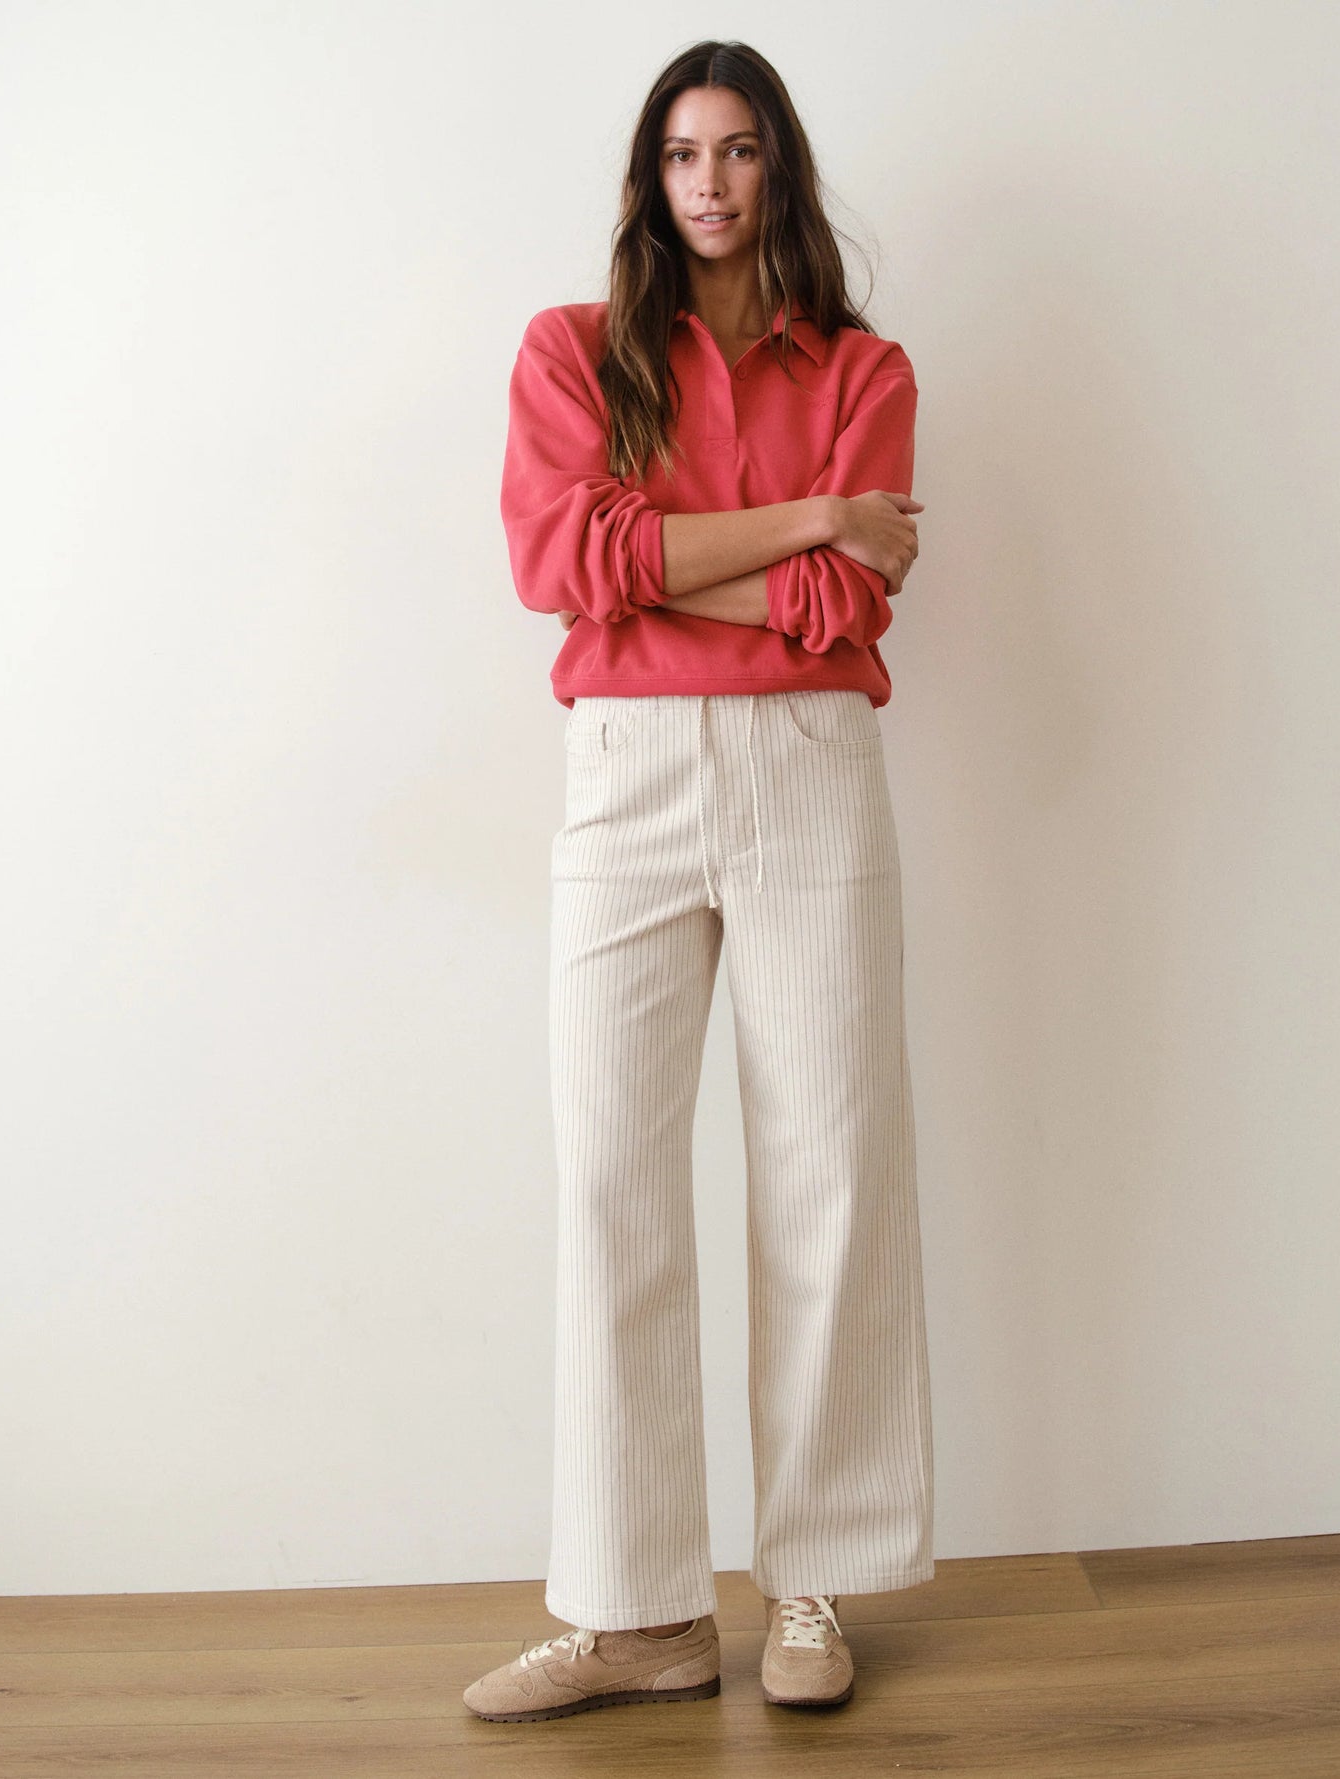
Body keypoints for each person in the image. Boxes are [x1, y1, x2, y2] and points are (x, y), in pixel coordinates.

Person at [464, 39, 935, 1724]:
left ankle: (812, 1575)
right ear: (651, 179)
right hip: (629, 789)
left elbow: (845, 617)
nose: (713, 182)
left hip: (810, 777)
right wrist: (809, 515)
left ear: (779, 170)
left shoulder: (863, 364)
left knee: (828, 1171)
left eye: (740, 151)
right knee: (609, 1181)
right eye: (683, 153)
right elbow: (557, 562)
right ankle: (635, 1612)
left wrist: (665, 575)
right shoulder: (574, 353)